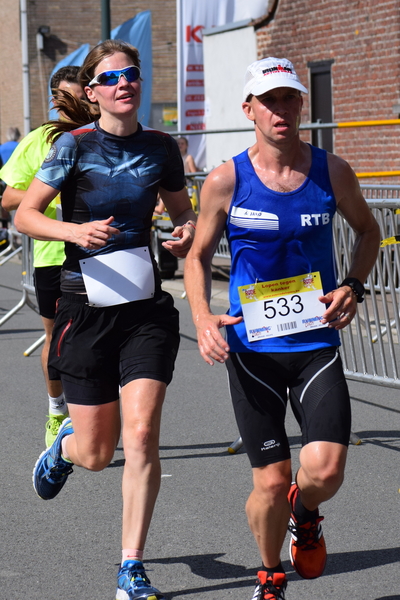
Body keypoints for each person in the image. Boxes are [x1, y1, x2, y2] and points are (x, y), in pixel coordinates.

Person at [184, 57, 380, 600]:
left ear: (301, 105)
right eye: (268, 101)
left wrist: (354, 285)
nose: (281, 109)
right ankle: (270, 573)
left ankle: (306, 510)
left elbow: (368, 232)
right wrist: (201, 318)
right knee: (268, 480)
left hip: (317, 343)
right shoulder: (227, 179)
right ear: (249, 109)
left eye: (290, 98)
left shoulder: (332, 170)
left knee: (327, 470)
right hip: (254, 350)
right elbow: (197, 257)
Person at [15, 40, 196, 600]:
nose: (125, 83)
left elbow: (183, 213)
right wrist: (73, 232)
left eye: (133, 74)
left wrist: (185, 232)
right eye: (112, 77)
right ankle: (64, 447)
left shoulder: (161, 147)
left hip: (143, 309)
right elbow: (24, 214)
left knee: (140, 434)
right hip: (84, 306)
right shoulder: (72, 146)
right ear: (92, 93)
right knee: (96, 455)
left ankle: (130, 566)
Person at [0, 66, 86, 448]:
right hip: (54, 253)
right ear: (55, 101)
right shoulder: (40, 139)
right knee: (57, 339)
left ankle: (98, 410)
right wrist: (47, 190)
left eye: (84, 94)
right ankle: (56, 412)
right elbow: (9, 199)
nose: (79, 103)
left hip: (104, 251)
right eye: (70, 98)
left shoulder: (105, 135)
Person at [0, 126, 21, 226]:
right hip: (19, 179)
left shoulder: (2, 148)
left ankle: (5, 228)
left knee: (5, 205)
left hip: (4, 178)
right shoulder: (21, 146)